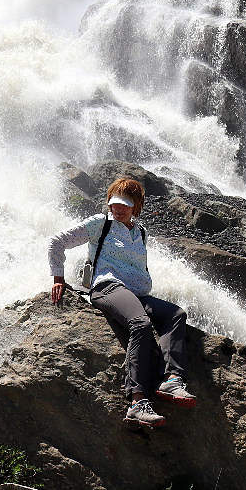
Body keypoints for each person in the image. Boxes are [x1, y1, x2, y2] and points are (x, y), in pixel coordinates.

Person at [48, 176, 196, 428]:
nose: (118, 208)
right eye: (114, 203)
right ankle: (137, 403)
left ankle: (172, 379)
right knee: (140, 324)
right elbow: (57, 242)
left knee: (176, 315)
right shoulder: (99, 224)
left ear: (135, 207)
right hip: (108, 288)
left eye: (125, 205)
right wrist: (58, 277)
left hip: (136, 294)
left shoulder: (141, 232)